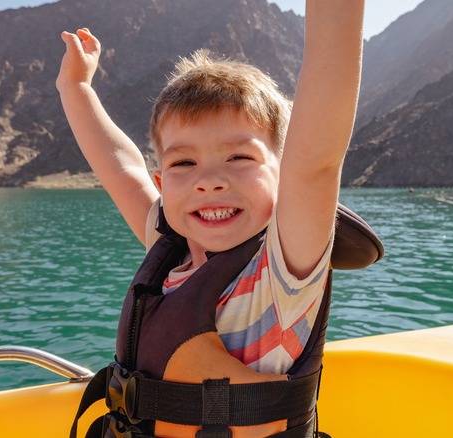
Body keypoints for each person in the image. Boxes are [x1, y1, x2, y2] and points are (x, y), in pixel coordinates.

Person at [57, 1, 366, 437]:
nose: (210, 181)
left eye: (239, 157)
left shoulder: (282, 277)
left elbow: (316, 160)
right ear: (162, 183)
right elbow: (121, 169)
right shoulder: (171, 249)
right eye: (184, 164)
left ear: (283, 176)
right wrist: (77, 87)